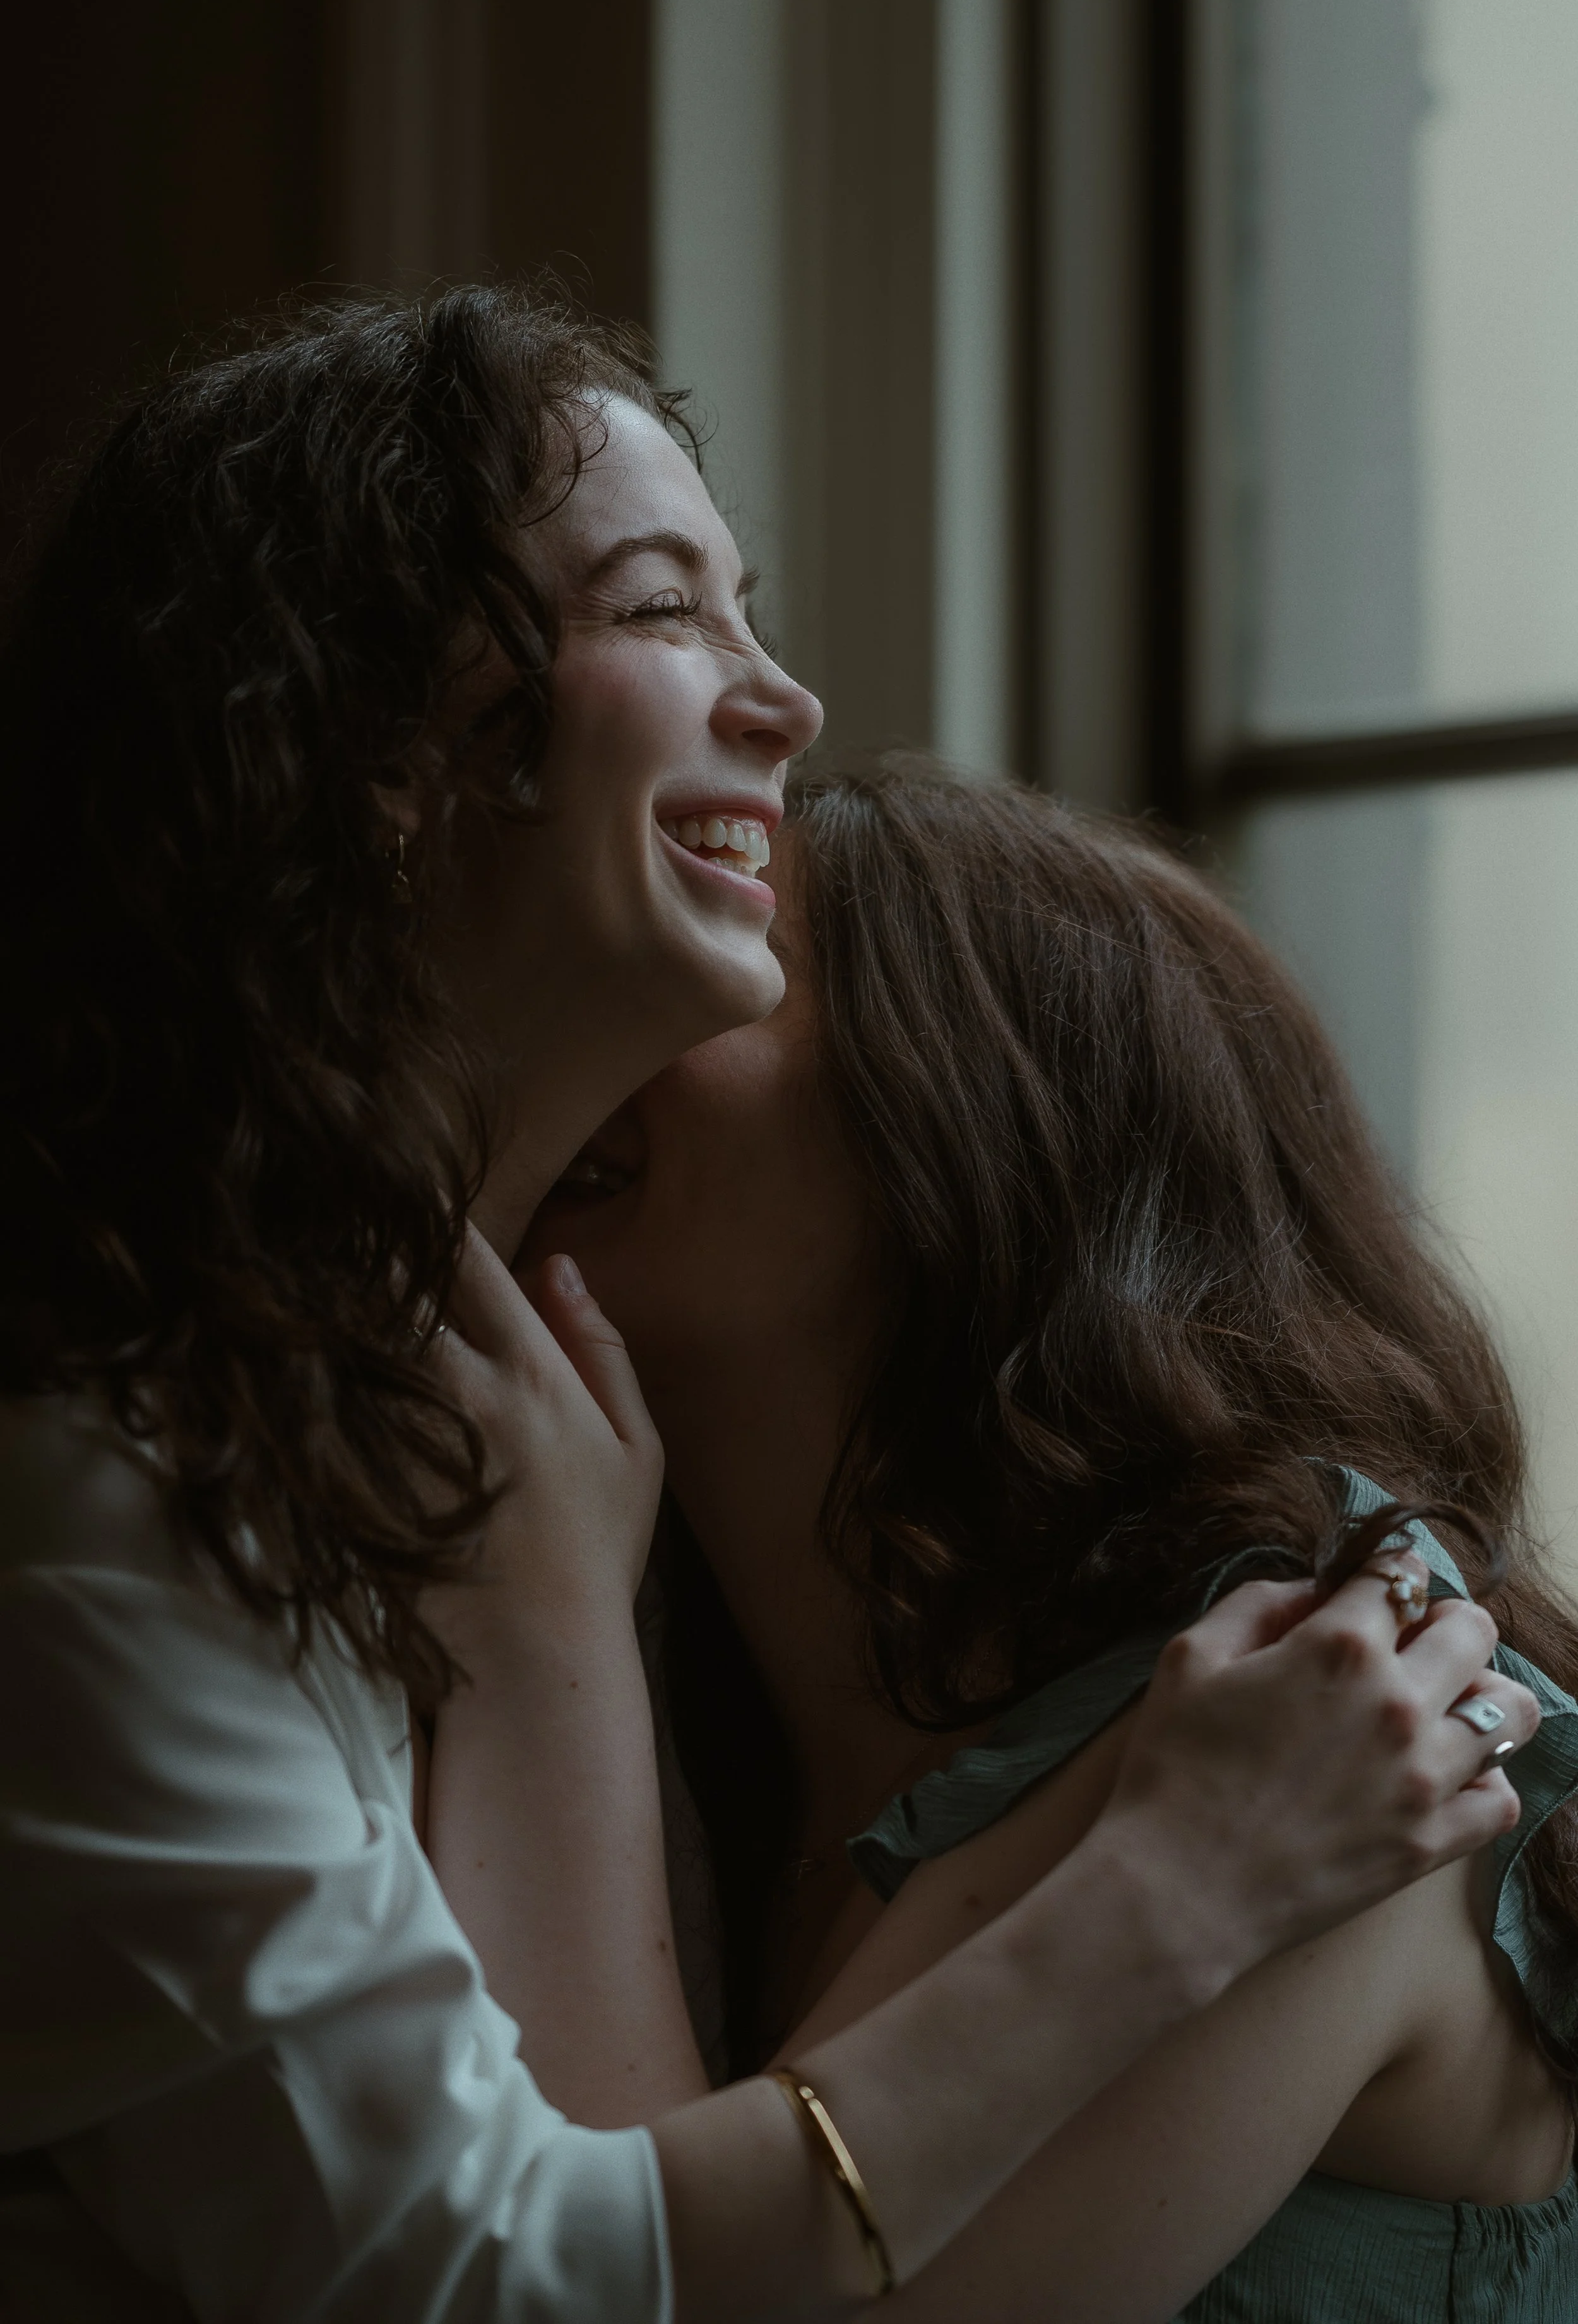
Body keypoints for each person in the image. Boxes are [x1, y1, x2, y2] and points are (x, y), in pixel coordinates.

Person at [0, 288, 1537, 2324]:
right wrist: (1164, 1889)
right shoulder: (154, 1495)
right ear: (375, 749)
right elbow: (514, 2258)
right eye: (666, 606)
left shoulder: (1313, 1696)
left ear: (974, 1159)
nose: (788, 704)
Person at [524, 762, 1578, 2319]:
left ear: (967, 1127)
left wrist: (533, 1629)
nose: (593, 1013)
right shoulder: (700, 1705)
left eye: (735, 954)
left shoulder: (1324, 1724)